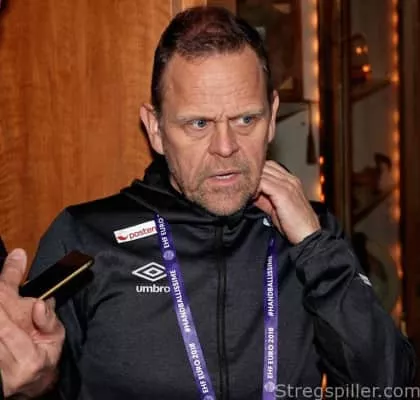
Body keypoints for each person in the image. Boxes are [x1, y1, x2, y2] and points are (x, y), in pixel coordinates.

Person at [0, 6, 415, 400]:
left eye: (246, 119)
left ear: (272, 116)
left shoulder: (310, 232)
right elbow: (40, 377)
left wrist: (314, 245)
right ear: (156, 129)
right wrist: (35, 384)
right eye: (199, 123)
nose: (226, 147)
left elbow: (387, 385)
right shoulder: (85, 238)